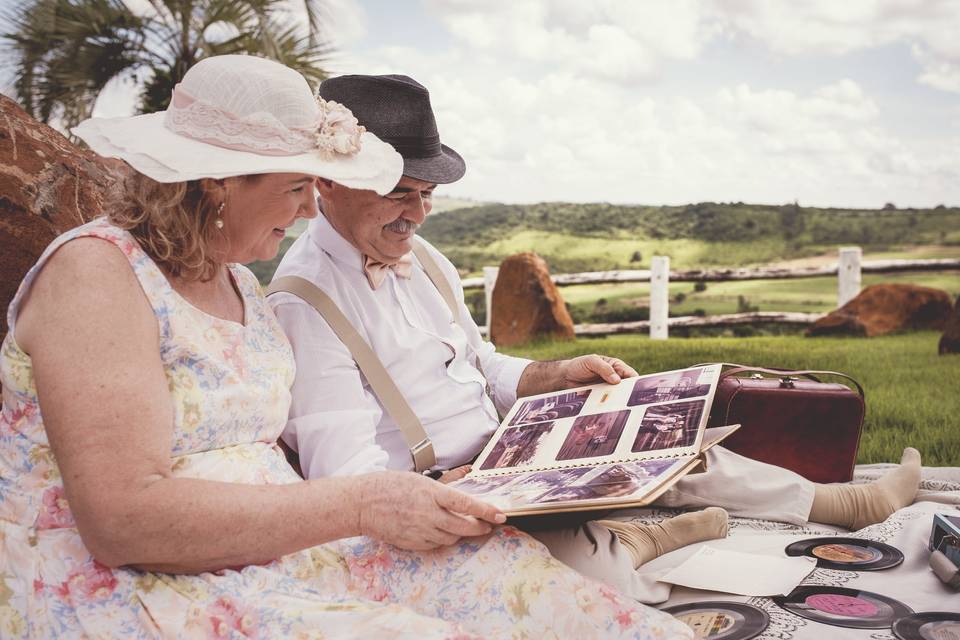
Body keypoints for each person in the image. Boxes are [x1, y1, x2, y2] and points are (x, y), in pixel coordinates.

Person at [0, 55, 694, 639]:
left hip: (281, 545)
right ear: (215, 183)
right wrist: (364, 505)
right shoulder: (96, 274)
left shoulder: (235, 277)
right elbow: (122, 522)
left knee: (551, 596)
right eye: (297, 186)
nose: (309, 209)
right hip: (135, 580)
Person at [270, 73, 923, 603]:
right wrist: (447, 489)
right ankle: (633, 543)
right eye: (399, 194)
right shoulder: (304, 301)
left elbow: (479, 362)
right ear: (330, 181)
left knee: (651, 432)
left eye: (428, 194)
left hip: (504, 450)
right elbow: (342, 480)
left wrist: (553, 378)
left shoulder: (424, 257)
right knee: (602, 593)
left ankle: (845, 502)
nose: (417, 214)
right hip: (440, 489)